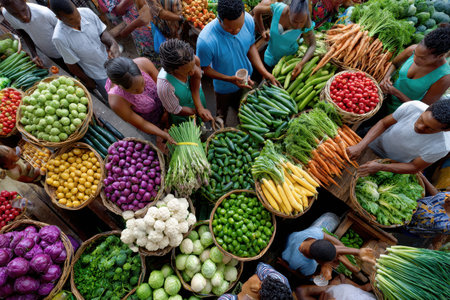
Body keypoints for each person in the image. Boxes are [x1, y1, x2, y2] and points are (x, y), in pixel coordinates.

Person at [196, 0, 278, 124]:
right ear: (220, 20)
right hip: (224, 88)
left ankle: (239, 120)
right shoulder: (206, 41)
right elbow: (204, 68)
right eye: (230, 28)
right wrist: (230, 79)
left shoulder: (249, 21)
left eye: (240, 25)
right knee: (221, 112)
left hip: (246, 78)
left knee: (244, 109)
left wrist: (265, 73)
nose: (237, 31)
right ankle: (222, 121)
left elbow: (251, 46)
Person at [347, 97, 450, 176]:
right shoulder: (413, 107)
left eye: (430, 128)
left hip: (390, 164)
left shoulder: (442, 147)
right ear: (428, 108)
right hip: (371, 145)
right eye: (421, 119)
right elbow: (384, 123)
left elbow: (414, 167)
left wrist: (381, 167)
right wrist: (361, 145)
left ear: (446, 130)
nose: (419, 127)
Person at [49, 0, 120, 101]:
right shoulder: (59, 38)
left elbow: (102, 32)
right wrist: (88, 81)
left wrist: (113, 44)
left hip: (113, 61)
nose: (78, 21)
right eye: (71, 20)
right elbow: (72, 65)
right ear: (59, 18)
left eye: (78, 15)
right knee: (114, 100)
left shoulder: (86, 12)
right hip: (98, 75)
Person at [380, 26, 450, 114]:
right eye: (415, 54)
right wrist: (387, 77)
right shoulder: (412, 49)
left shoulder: (444, 77)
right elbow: (394, 64)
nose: (415, 59)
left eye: (422, 58)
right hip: (383, 100)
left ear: (440, 56)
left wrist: (395, 92)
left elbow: (421, 107)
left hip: (402, 113)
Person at [105, 57, 175, 144]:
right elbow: (142, 123)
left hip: (167, 106)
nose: (141, 90)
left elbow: (163, 90)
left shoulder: (144, 63)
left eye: (143, 83)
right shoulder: (116, 101)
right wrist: (163, 134)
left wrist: (166, 112)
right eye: (135, 90)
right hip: (150, 121)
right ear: (120, 87)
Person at [282, 227, 375, 279]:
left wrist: (358, 252)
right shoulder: (309, 267)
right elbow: (302, 276)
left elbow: (334, 242)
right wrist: (316, 276)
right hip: (286, 254)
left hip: (293, 237)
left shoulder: (315, 233)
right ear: (318, 261)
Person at [157, 39, 213, 125]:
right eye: (187, 72)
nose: (192, 72)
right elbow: (176, 109)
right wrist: (197, 112)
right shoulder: (165, 86)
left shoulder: (193, 60)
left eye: (193, 66)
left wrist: (199, 107)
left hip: (197, 96)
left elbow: (196, 79)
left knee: (200, 124)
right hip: (184, 111)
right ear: (172, 71)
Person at [253, 0, 316, 75]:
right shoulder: (278, 9)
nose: (298, 26)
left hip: (287, 62)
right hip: (270, 54)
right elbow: (256, 10)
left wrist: (301, 64)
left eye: (301, 22)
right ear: (289, 11)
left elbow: (312, 45)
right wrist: (262, 31)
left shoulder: (307, 23)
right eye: (295, 21)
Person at [0, 0, 62, 68]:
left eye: (23, 10)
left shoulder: (44, 13)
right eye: (15, 14)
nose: (23, 17)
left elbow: (65, 30)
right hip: (48, 52)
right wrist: (34, 54)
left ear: (25, 1)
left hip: (65, 51)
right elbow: (24, 33)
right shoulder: (7, 14)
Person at [98, 0, 159, 64]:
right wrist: (135, 23)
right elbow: (118, 11)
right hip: (142, 30)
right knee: (154, 53)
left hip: (155, 20)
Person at [219, 262, 293, 300]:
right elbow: (260, 266)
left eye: (260, 281)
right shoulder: (278, 279)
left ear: (255, 289)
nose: (258, 278)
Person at [296, 273, 375, 300]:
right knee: (301, 290)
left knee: (301, 291)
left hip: (338, 291)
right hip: (344, 289)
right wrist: (362, 288)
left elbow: (300, 290)